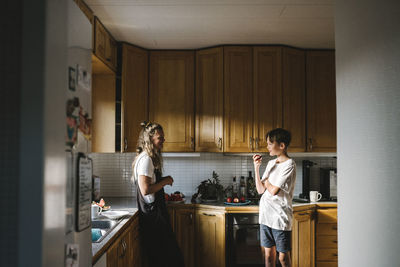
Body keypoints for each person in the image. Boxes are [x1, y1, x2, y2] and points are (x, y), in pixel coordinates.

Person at [132, 121, 184, 267]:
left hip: (154, 215)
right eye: (160, 137)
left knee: (163, 258)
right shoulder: (146, 159)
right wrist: (166, 181)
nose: (163, 140)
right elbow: (145, 190)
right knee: (169, 258)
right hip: (153, 217)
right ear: (150, 139)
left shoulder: (146, 158)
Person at [253, 128, 296, 267]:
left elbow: (273, 190)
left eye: (270, 144)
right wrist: (256, 167)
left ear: (282, 146)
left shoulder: (289, 164)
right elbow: (260, 190)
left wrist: (266, 181)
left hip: (280, 217)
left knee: (283, 258)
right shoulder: (271, 163)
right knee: (268, 258)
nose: (267, 147)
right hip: (266, 216)